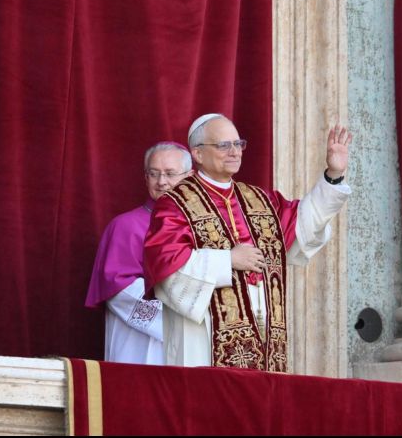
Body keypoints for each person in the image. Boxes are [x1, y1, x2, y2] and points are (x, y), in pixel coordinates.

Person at [143, 113, 352, 370]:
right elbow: (167, 266)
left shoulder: (259, 198)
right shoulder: (176, 203)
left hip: (264, 331)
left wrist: (333, 175)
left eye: (238, 144)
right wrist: (227, 260)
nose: (234, 152)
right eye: (223, 145)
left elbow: (305, 223)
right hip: (205, 337)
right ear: (197, 154)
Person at [85, 141, 193, 364]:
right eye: (154, 174)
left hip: (193, 343)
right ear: (146, 178)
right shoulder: (124, 226)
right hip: (138, 344)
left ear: (189, 177)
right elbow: (119, 290)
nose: (162, 182)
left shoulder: (203, 226)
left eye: (170, 174)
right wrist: (175, 321)